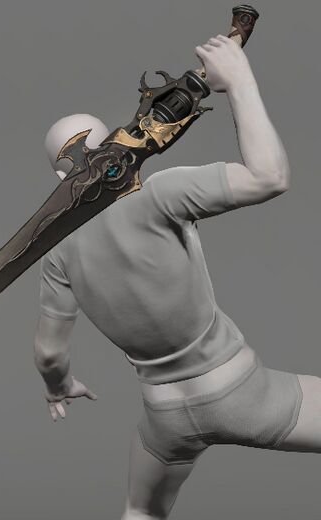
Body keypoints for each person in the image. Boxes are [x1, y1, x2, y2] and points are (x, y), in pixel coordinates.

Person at [33, 35, 321, 520]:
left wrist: (58, 387)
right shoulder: (159, 194)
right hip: (241, 392)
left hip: (166, 417)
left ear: (60, 180)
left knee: (141, 512)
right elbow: (269, 177)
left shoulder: (57, 253)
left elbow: (48, 353)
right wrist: (240, 81)